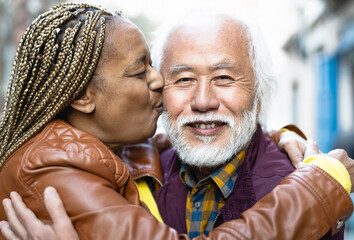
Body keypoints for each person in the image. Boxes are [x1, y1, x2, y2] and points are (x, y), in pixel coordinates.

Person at [0, 4, 353, 240]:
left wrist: (278, 137)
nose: (202, 101)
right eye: (181, 80)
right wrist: (316, 190)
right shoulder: (57, 168)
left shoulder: (121, 152)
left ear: (259, 94)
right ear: (82, 96)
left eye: (225, 79)